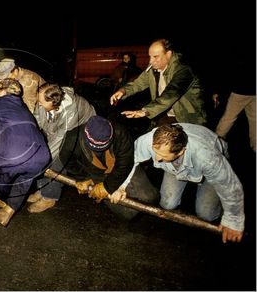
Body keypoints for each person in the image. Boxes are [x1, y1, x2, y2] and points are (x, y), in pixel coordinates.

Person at [111, 123, 245, 244]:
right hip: (174, 166)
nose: (156, 159)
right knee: (167, 204)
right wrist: (121, 187)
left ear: (180, 151)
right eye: (155, 152)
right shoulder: (149, 140)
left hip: (207, 163)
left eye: (162, 155)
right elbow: (130, 160)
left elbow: (229, 185)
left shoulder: (207, 157)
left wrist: (233, 219)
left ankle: (220, 209)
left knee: (206, 214)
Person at [0, 79, 50, 226]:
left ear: (3, 90)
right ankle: (7, 212)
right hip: (41, 154)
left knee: (1, 180)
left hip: (13, 153)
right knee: (24, 181)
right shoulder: (23, 107)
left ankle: (4, 200)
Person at [58, 115, 159, 219]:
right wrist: (83, 177)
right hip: (95, 172)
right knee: (127, 212)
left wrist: (109, 186)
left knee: (150, 196)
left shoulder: (120, 133)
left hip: (121, 167)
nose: (99, 151)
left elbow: (125, 163)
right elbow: (67, 161)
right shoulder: (71, 139)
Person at [28, 83, 96, 213]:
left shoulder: (70, 112)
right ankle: (43, 190)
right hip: (56, 128)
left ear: (54, 103)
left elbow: (60, 140)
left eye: (41, 102)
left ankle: (50, 197)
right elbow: (36, 118)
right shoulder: (45, 98)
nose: (39, 104)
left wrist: (41, 160)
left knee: (58, 158)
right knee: (40, 150)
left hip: (81, 132)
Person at [110, 39, 207, 127]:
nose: (151, 61)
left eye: (155, 57)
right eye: (150, 57)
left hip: (187, 119)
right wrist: (123, 91)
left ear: (168, 54)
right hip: (163, 114)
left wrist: (145, 111)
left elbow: (171, 93)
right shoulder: (153, 67)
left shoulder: (183, 69)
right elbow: (138, 83)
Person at [213, 55, 256, 152]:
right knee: (255, 121)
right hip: (254, 91)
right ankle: (255, 147)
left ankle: (215, 144)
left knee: (228, 118)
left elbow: (230, 73)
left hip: (240, 90)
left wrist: (219, 93)